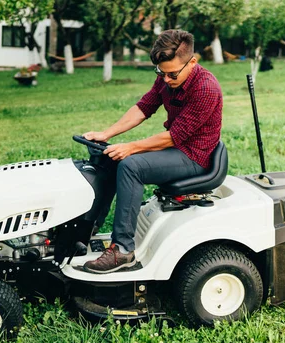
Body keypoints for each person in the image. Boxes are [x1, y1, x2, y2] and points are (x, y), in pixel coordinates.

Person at [82, 29, 223, 274]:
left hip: (195, 156)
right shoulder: (168, 76)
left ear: (192, 62)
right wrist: (107, 134)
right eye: (161, 72)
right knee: (110, 157)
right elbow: (144, 107)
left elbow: (174, 137)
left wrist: (131, 147)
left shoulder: (205, 88)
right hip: (175, 149)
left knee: (130, 165)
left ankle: (123, 250)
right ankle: (85, 230)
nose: (165, 79)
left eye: (171, 74)